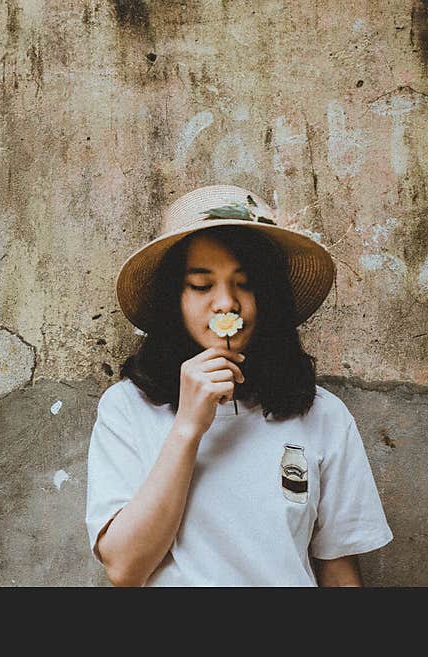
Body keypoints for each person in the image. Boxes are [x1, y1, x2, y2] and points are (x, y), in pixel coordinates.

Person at [85, 185, 393, 587]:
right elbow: (125, 568)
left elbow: (337, 569)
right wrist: (188, 428)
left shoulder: (322, 414)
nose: (226, 303)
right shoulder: (127, 408)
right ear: (172, 300)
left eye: (244, 284)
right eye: (201, 285)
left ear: (268, 297)